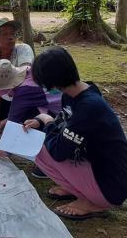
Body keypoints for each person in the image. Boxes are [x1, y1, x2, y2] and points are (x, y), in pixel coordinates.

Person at [23, 47, 127, 221]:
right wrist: (43, 121)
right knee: (44, 142)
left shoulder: (89, 107)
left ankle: (94, 203)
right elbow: (64, 124)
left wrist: (46, 121)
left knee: (39, 148)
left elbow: (58, 151)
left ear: (52, 82)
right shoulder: (76, 93)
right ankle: (76, 188)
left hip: (110, 185)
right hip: (100, 167)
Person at [0, 59, 62, 131]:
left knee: (24, 121)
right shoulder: (28, 70)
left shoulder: (24, 90)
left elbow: (12, 121)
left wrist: (6, 125)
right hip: (56, 101)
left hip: (60, 114)